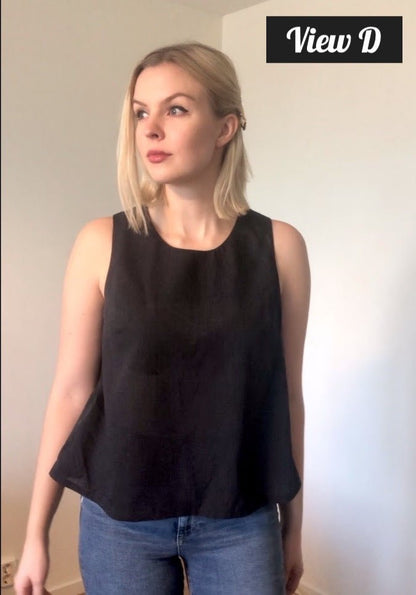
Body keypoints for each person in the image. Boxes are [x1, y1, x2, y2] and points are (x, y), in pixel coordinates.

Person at [14, 41, 310, 595]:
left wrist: (293, 527)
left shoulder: (280, 248)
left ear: (225, 128)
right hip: (120, 522)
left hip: (240, 521)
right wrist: (36, 533)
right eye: (139, 112)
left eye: (175, 109)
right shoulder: (100, 243)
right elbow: (72, 392)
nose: (150, 129)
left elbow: (287, 396)